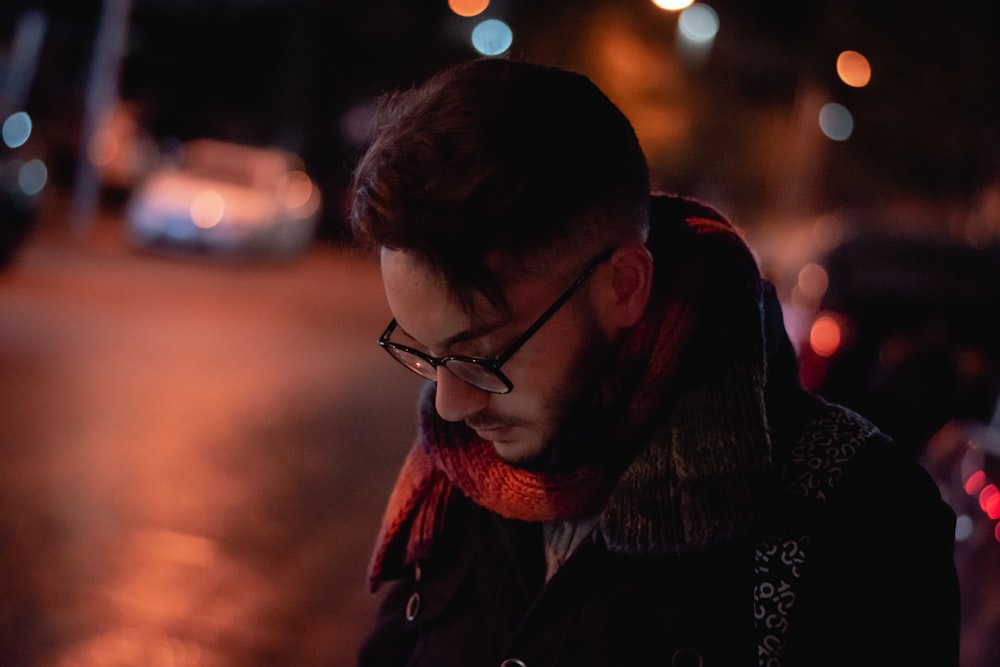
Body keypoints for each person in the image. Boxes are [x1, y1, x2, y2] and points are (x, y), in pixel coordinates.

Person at [348, 57, 960, 666]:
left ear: (623, 285)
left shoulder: (861, 521)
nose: (451, 407)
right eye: (427, 354)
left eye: (482, 353)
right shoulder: (449, 484)